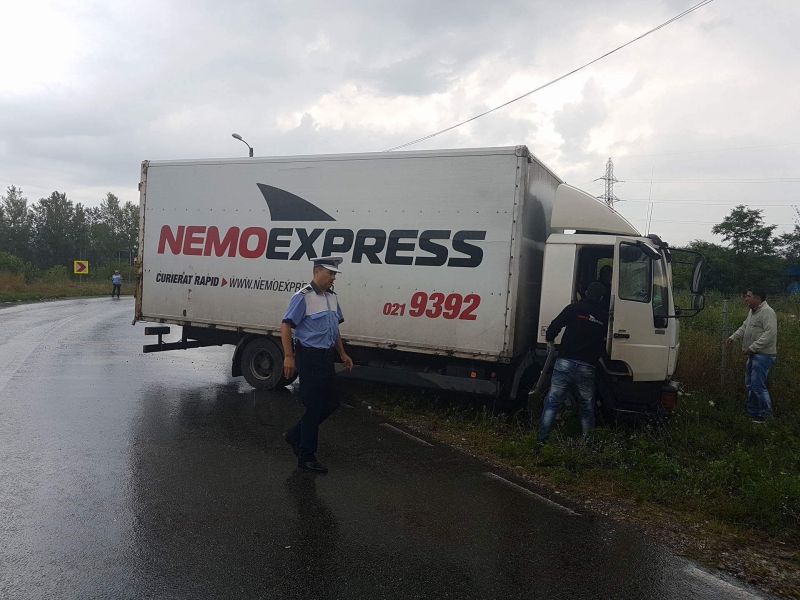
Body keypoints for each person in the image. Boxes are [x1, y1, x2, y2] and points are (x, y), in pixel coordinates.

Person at [280, 256, 354, 473]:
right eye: (330, 273)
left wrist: (342, 353)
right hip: (309, 356)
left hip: (326, 356)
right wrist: (288, 356)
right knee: (313, 407)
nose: (333, 278)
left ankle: (294, 435)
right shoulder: (303, 297)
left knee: (331, 403)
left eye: (335, 274)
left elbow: (334, 328)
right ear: (317, 271)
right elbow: (286, 326)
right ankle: (306, 456)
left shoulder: (332, 297)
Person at [538, 281, 607, 443]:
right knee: (586, 407)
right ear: (601, 297)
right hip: (587, 367)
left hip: (564, 362)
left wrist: (550, 339)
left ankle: (542, 441)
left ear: (586, 293)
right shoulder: (604, 316)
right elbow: (605, 342)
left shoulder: (574, 308)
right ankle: (587, 444)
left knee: (552, 403)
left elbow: (554, 326)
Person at [726, 288, 778, 422]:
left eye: (748, 296)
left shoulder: (767, 312)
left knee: (758, 386)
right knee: (750, 384)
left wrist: (753, 347)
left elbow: (770, 334)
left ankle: (766, 416)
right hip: (754, 354)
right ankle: (753, 413)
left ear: (758, 298)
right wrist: (733, 337)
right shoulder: (753, 311)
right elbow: (745, 326)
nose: (746, 299)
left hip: (763, 355)